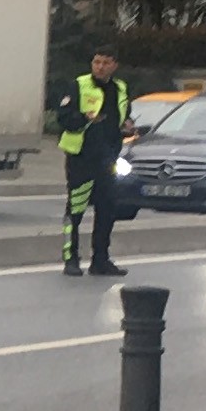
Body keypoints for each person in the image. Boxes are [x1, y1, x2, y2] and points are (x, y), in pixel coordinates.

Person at [57, 50, 132, 276]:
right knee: (76, 209)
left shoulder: (120, 88)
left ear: (114, 66)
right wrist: (84, 119)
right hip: (82, 158)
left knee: (107, 209)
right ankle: (71, 258)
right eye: (96, 62)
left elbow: (122, 116)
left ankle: (101, 259)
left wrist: (127, 127)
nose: (99, 67)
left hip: (108, 158)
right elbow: (63, 118)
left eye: (105, 63)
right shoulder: (78, 86)